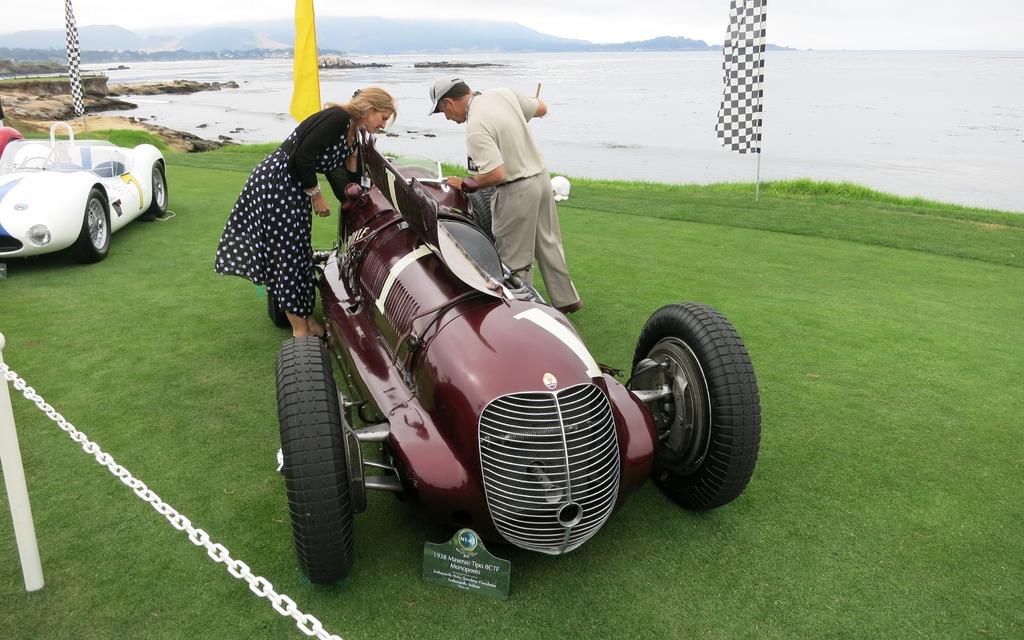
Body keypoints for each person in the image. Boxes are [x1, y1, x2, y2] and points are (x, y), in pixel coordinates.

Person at [215, 88, 397, 337]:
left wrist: (355, 161)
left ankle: (308, 321)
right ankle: (300, 331)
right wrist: (315, 194)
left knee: (300, 254)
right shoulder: (337, 117)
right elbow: (303, 156)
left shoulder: (353, 132)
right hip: (277, 184)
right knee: (288, 257)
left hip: (293, 189)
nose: (384, 124)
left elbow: (346, 185)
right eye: (383, 117)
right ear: (370, 110)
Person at [428, 76, 583, 314]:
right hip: (542, 179)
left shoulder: (475, 127)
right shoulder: (502, 93)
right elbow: (541, 107)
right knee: (548, 243)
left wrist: (467, 183)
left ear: (449, 102)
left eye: (442, 112)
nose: (448, 118)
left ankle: (520, 311)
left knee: (513, 258)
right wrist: (521, 113)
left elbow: (495, 173)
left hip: (516, 190)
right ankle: (567, 299)